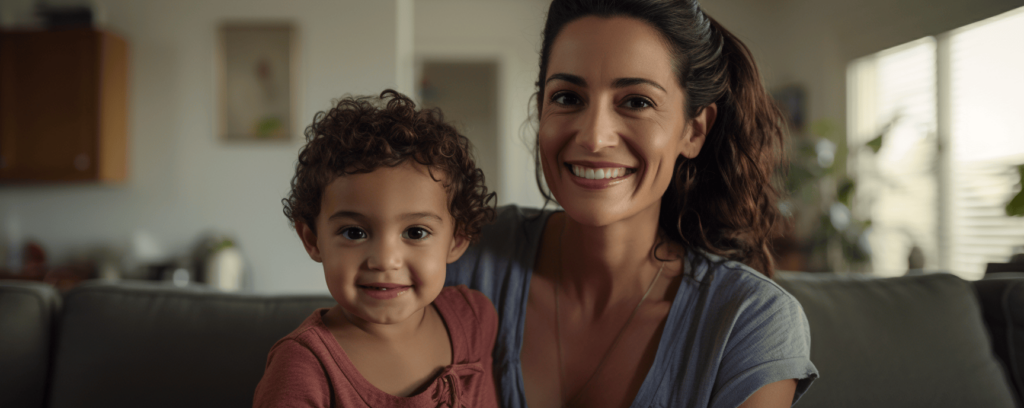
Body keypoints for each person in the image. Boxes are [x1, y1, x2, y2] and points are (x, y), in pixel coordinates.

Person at [446, 1, 819, 407]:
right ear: (541, 111)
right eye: (568, 98)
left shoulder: (751, 322)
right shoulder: (461, 252)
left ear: (693, 131)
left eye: (637, 102)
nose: (594, 137)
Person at [255, 90, 500, 407]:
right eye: (354, 232)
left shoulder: (475, 318)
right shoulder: (301, 367)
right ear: (313, 240)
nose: (385, 260)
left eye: (415, 231)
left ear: (457, 240)